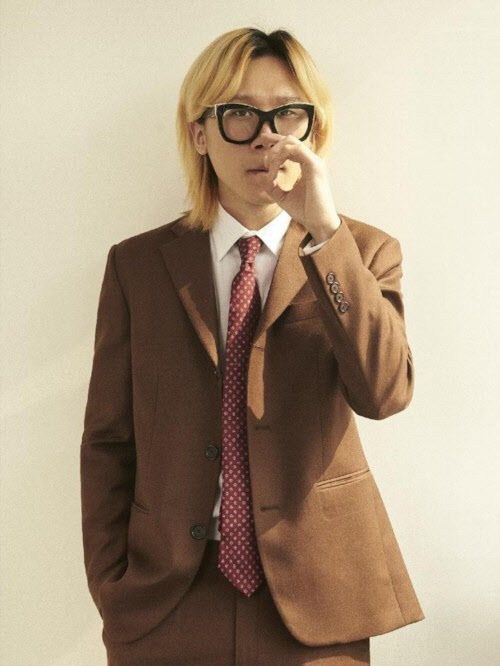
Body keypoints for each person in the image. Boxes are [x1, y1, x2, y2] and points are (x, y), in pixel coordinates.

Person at [80, 26, 425, 665]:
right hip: (167, 600)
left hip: (319, 600)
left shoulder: (362, 252)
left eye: (287, 113)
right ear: (199, 133)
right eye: (239, 113)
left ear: (313, 131)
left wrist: (324, 233)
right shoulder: (137, 265)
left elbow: (385, 394)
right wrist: (112, 584)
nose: (265, 136)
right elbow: (109, 440)